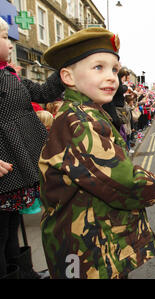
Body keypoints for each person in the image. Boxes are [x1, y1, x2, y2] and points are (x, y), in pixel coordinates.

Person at [39, 28, 155, 279]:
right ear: (68, 76)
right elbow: (122, 180)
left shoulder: (89, 112)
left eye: (114, 70)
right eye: (98, 67)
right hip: (84, 254)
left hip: (94, 244)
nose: (111, 77)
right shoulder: (78, 120)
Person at [0, 18, 66, 279]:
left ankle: (23, 272)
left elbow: (43, 92)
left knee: (11, 228)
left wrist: (66, 67)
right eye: (5, 37)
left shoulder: (8, 74)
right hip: (5, 170)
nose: (10, 42)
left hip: (16, 168)